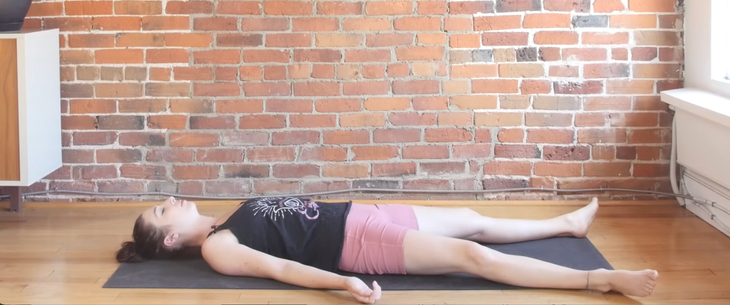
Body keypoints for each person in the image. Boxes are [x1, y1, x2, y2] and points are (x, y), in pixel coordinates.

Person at [116, 195, 658, 304]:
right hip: (355, 242)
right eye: (163, 211)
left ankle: (565, 224)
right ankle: (601, 281)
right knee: (475, 259)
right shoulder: (218, 247)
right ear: (169, 238)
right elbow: (281, 267)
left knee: (470, 221)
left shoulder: (223, 217)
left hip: (361, 213)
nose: (170, 200)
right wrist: (340, 282)